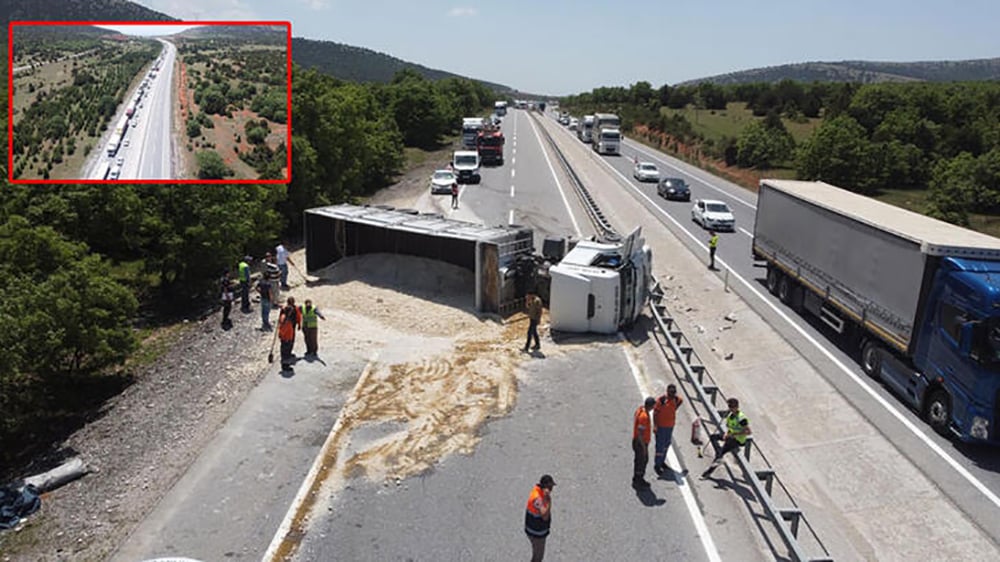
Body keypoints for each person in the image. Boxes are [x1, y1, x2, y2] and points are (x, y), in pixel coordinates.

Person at [702, 397, 752, 478]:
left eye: (732, 407)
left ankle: (707, 473)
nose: (731, 409)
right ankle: (719, 456)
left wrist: (735, 434)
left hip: (738, 440)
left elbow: (748, 432)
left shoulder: (741, 418)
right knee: (713, 437)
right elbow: (730, 428)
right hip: (730, 436)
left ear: (737, 407)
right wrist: (726, 433)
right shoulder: (730, 416)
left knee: (721, 452)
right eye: (729, 406)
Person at [653, 384, 684, 474]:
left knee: (666, 444)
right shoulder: (661, 400)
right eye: (670, 393)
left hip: (670, 427)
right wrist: (655, 425)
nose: (672, 395)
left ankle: (662, 461)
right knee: (660, 446)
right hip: (661, 427)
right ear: (667, 392)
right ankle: (657, 465)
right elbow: (655, 413)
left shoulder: (676, 399)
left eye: (674, 393)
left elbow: (680, 402)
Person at [524, 474, 555, 562]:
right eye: (550, 487)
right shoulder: (538, 498)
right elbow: (545, 516)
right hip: (536, 533)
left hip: (535, 530)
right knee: (538, 557)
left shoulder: (538, 491)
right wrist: (549, 501)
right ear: (545, 486)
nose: (551, 489)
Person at [632, 397, 656, 488]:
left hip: (637, 441)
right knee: (641, 462)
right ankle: (638, 481)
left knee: (640, 461)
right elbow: (640, 434)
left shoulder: (640, 409)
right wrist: (644, 448)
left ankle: (637, 478)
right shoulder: (644, 417)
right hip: (640, 443)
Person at [278, 297, 302, 370]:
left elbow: (298, 317)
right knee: (286, 348)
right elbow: (283, 328)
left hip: (287, 334)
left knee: (285, 348)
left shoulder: (284, 314)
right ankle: (285, 363)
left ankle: (287, 357)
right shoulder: (287, 320)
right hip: (287, 335)